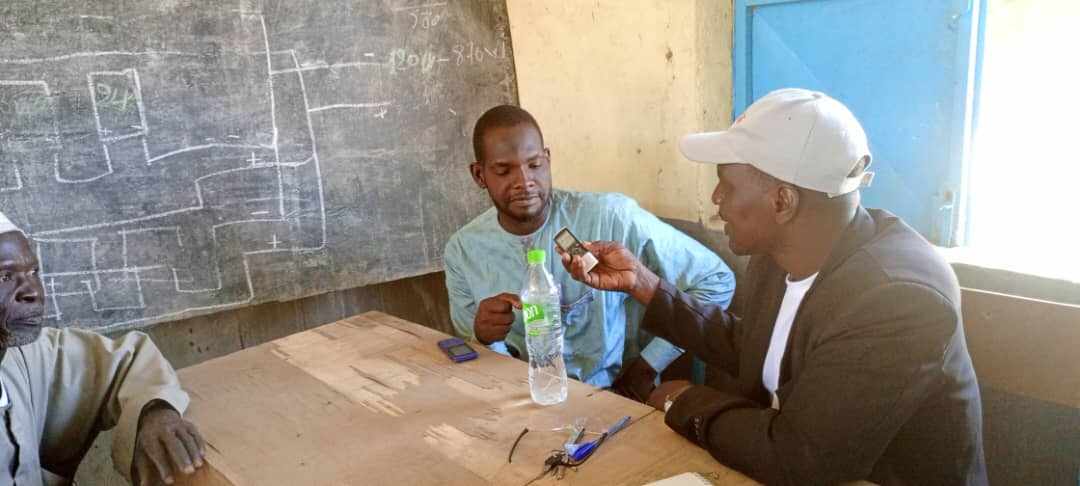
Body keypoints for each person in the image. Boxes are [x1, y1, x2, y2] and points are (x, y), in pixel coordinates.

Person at [559, 89, 987, 485]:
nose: (715, 198)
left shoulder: (897, 298)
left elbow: (801, 457)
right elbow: (754, 348)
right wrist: (645, 285)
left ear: (782, 201)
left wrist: (681, 401)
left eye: (726, 184)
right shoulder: (781, 254)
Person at [444, 105, 735, 400]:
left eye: (534, 165)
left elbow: (716, 280)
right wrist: (484, 337)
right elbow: (478, 358)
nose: (524, 182)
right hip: (526, 397)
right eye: (504, 170)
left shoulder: (610, 218)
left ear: (547, 159)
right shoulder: (463, 251)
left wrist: (645, 368)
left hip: (613, 396)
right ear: (479, 175)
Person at [0, 212, 206, 485]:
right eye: (5, 276)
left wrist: (154, 411)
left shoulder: (22, 356)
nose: (32, 291)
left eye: (33, 272)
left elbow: (124, 362)